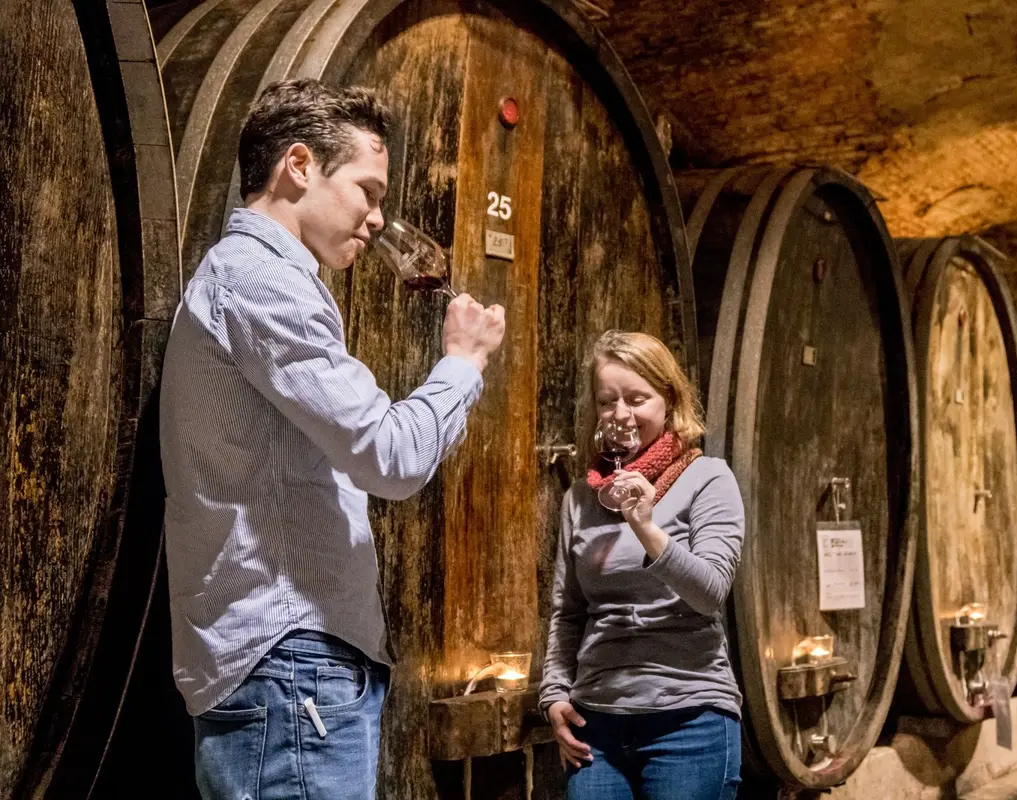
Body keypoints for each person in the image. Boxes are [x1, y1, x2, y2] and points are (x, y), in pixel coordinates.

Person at [158, 78, 505, 799]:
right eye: (368, 190)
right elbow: (390, 456)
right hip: (290, 666)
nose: (378, 218)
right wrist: (463, 364)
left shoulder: (263, 280)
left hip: (293, 668)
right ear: (299, 166)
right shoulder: (263, 283)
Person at [539, 330, 745, 800]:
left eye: (637, 398)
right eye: (607, 401)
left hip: (689, 719)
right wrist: (553, 693)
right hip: (597, 724)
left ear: (669, 402)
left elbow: (710, 590)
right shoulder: (580, 498)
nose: (621, 415)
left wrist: (647, 529)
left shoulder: (708, 479)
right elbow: (567, 612)